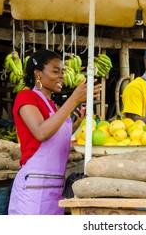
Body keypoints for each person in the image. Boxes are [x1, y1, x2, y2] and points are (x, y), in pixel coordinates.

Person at [8, 49, 102, 215]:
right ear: (38, 74)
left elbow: (54, 136)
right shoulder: (26, 97)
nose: (61, 76)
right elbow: (41, 133)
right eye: (55, 71)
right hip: (33, 190)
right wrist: (73, 99)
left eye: (63, 72)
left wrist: (74, 127)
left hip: (55, 189)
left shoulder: (52, 105)